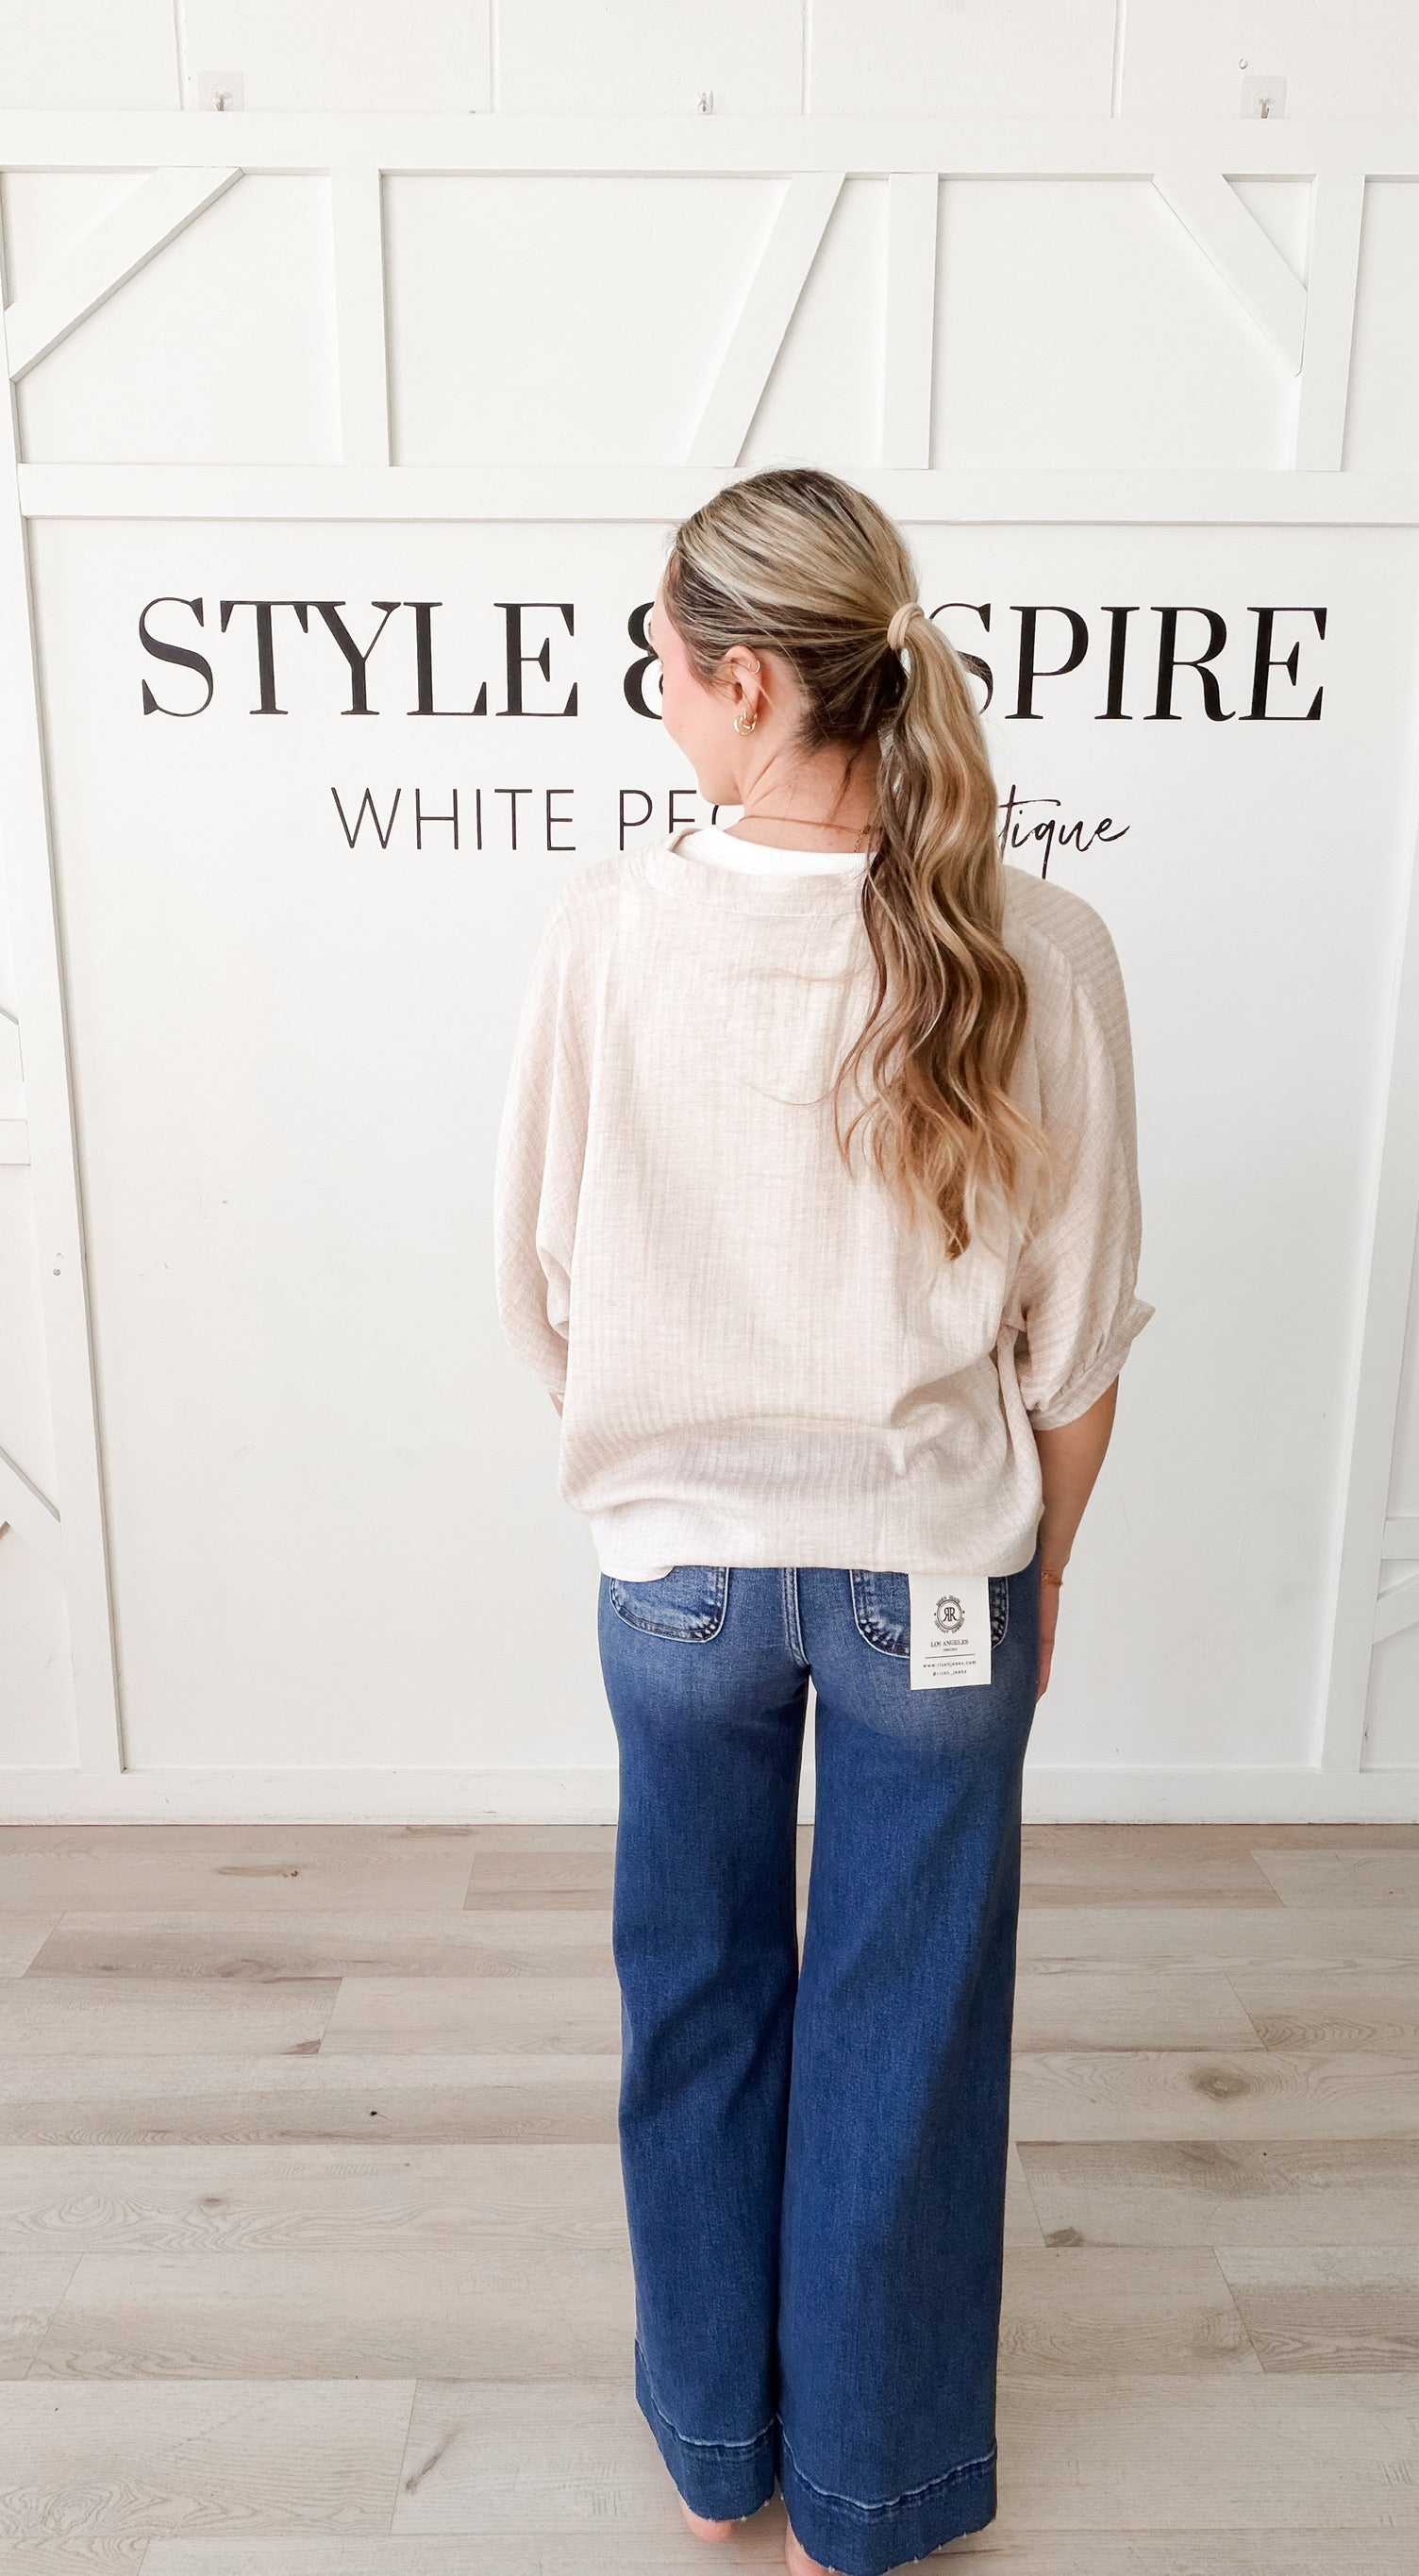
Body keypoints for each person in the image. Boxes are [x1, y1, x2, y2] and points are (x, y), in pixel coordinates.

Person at [492, 465, 1152, 2576]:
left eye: (662, 666)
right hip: (936, 1580)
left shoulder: (611, 938)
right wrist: (1041, 1575)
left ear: (753, 682)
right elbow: (1076, 1345)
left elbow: (545, 1291)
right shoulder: (1042, 946)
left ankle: (717, 2457)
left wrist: (668, 1470)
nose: (657, 699)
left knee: (693, 1997)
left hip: (674, 1580)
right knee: (906, 2034)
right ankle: (864, 2504)